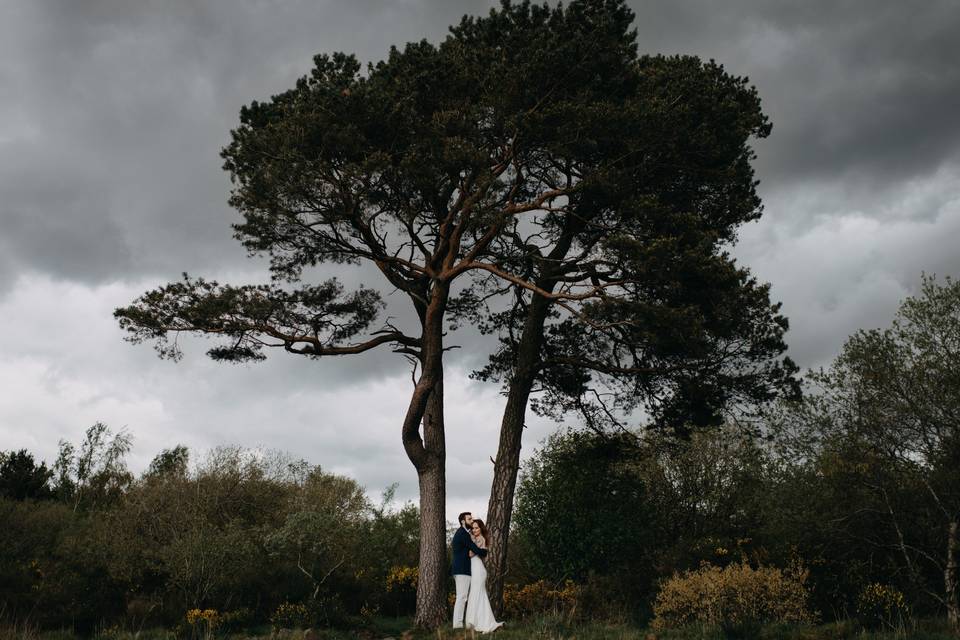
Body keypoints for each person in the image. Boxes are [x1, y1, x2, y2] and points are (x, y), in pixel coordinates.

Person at [451, 511, 488, 629]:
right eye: (469, 519)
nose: (472, 521)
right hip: (462, 569)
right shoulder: (463, 534)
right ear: (463, 521)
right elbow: (475, 549)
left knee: (462, 597)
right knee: (462, 597)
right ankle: (457, 625)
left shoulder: (463, 533)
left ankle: (459, 624)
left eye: (472, 519)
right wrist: (485, 551)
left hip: (461, 569)